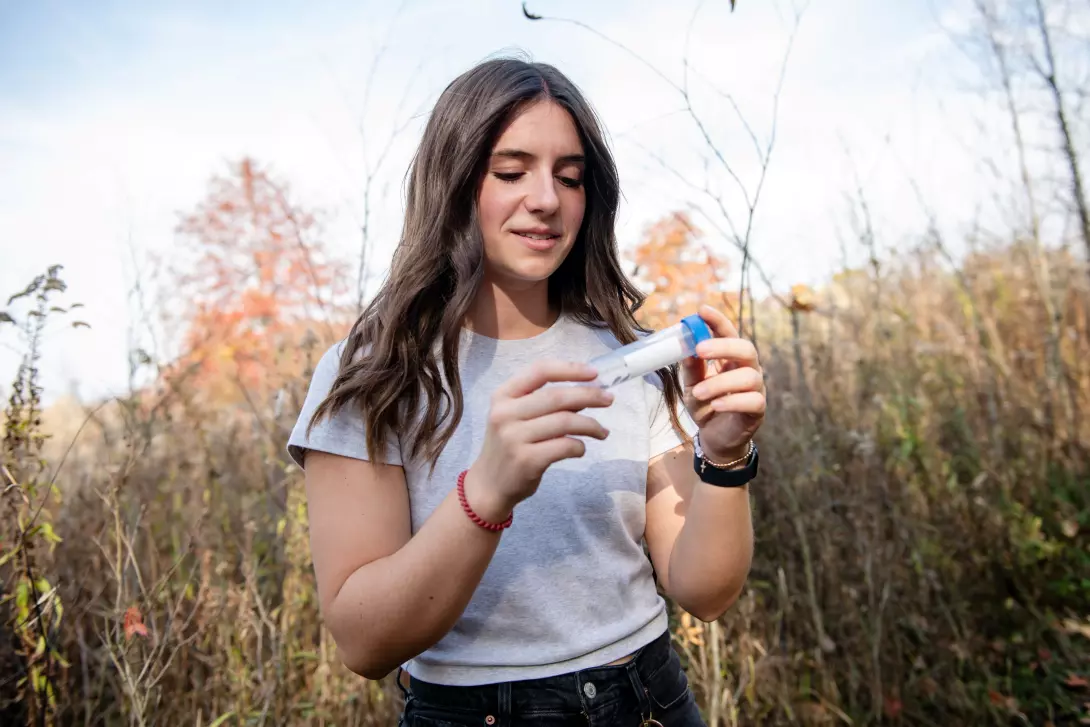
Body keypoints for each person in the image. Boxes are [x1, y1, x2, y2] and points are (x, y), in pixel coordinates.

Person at [287, 56, 766, 727]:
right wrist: (487, 492)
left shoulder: (632, 357)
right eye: (511, 172)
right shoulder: (374, 374)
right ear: (453, 181)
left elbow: (705, 592)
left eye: (569, 177)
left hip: (646, 700)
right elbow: (364, 643)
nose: (546, 199)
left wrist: (724, 456)